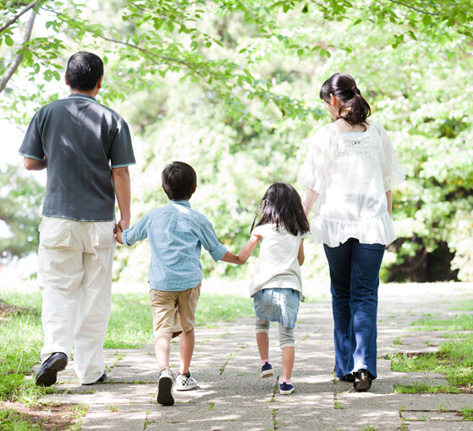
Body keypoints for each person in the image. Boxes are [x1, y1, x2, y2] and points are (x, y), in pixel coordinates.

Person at [18, 52, 134, 387]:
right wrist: (124, 218)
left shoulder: (46, 113)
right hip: (99, 222)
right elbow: (121, 172)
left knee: (57, 288)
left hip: (57, 220)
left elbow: (29, 162)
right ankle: (91, 370)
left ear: (66, 80)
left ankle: (55, 349)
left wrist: (52, 159)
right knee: (95, 295)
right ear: (100, 82)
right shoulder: (112, 119)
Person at [298, 73, 406, 392]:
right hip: (373, 224)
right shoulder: (378, 133)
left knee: (342, 294)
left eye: (325, 105)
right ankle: (362, 367)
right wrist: (386, 220)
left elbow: (312, 189)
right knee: (365, 295)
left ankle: (347, 365)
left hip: (336, 224)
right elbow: (388, 185)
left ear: (333, 100)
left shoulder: (326, 136)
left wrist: (296, 224)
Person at [120, 161, 242, 405]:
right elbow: (216, 251)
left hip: (161, 283)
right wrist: (238, 259)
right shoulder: (198, 219)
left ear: (165, 189)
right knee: (187, 327)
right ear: (194, 188)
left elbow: (128, 238)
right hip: (188, 283)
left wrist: (118, 232)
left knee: (162, 330)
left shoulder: (154, 215)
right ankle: (183, 376)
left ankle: (164, 370)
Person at [236, 183, 309, 395]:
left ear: (269, 205)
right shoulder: (299, 230)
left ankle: (265, 362)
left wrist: (231, 256)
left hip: (264, 287)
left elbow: (243, 256)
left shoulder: (262, 229)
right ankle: (286, 382)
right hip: (289, 288)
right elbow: (301, 260)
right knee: (287, 337)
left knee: (261, 324)